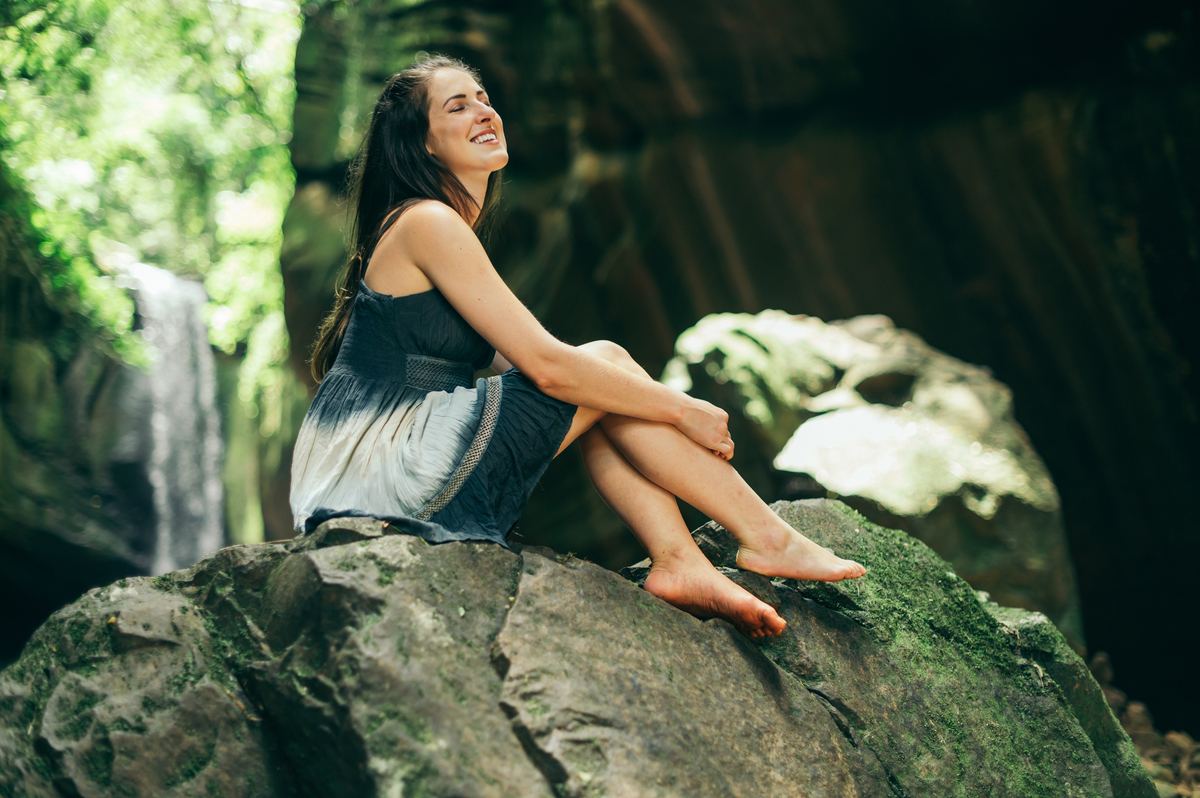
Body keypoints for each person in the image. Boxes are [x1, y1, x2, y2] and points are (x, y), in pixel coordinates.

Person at [290, 56, 865, 639]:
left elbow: (553, 373)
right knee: (602, 364)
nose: (484, 111)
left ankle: (682, 563)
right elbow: (549, 368)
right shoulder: (427, 222)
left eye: (483, 97)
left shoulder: (433, 226)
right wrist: (680, 407)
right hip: (380, 474)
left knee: (600, 377)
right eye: (456, 106)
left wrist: (630, 394)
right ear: (425, 145)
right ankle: (763, 539)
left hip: (374, 469)